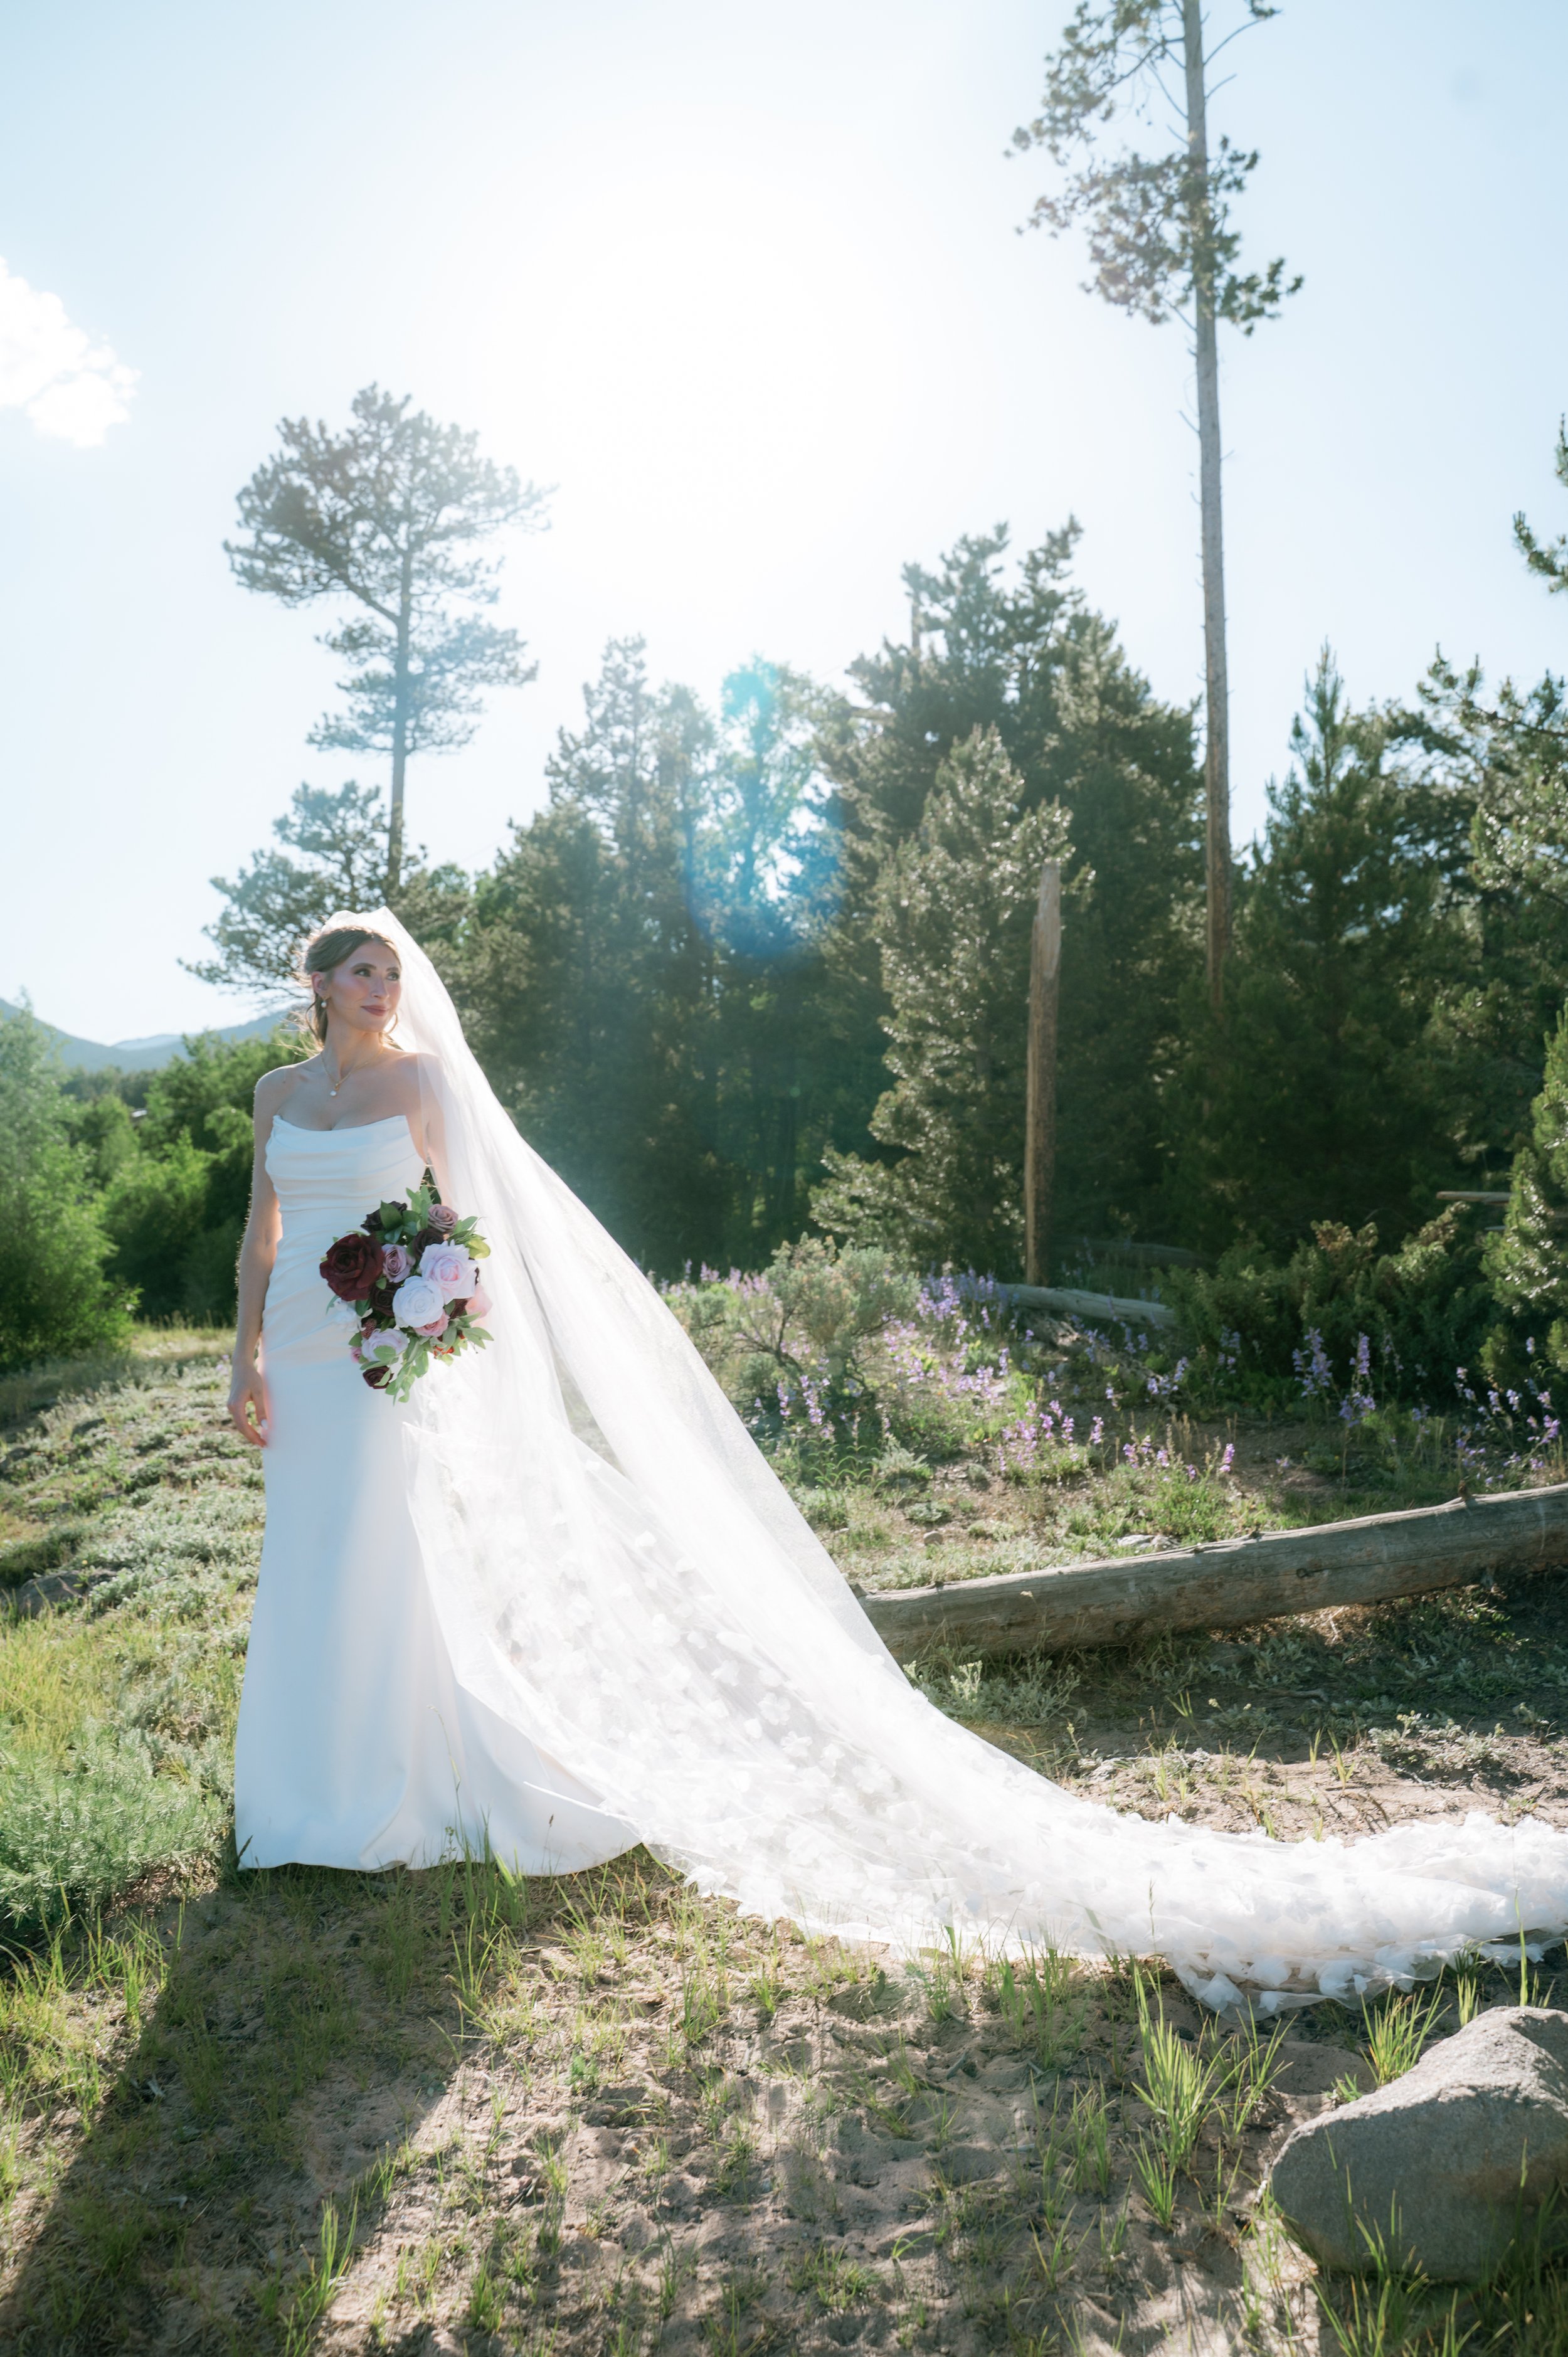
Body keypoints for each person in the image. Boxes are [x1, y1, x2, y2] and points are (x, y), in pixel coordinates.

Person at [229, 910, 1568, 2014]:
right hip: (301, 1341)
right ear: (318, 984)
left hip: (383, 1348)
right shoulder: (276, 1094)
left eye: (392, 970)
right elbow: (262, 1231)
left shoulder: (418, 1082)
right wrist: (243, 1355)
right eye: (362, 969)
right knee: (317, 1550)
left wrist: (428, 1294)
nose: (382, 986)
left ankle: (410, 1786)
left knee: (389, 1551)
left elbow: (469, 1224)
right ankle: (309, 1797)